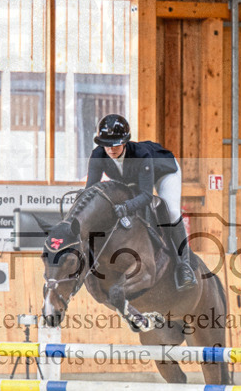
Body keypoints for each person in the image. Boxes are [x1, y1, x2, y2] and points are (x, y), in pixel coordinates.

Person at [84, 113, 197, 291]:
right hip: (132, 177)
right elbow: (90, 191)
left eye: (115, 145)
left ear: (125, 142)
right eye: (106, 145)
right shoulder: (98, 155)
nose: (111, 150)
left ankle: (185, 266)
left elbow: (146, 196)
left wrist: (126, 207)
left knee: (172, 211)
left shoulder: (141, 155)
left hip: (164, 172)